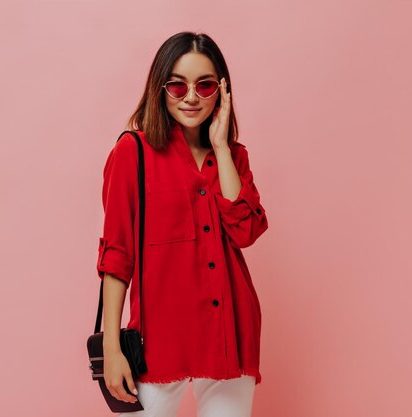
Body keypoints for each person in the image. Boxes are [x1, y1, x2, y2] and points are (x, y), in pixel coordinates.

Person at [96, 31, 269, 417]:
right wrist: (111, 348)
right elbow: (117, 253)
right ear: (161, 88)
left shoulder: (234, 157)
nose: (191, 96)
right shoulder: (133, 152)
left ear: (221, 91)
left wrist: (222, 147)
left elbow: (245, 231)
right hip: (160, 342)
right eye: (178, 85)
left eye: (204, 85)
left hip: (229, 335)